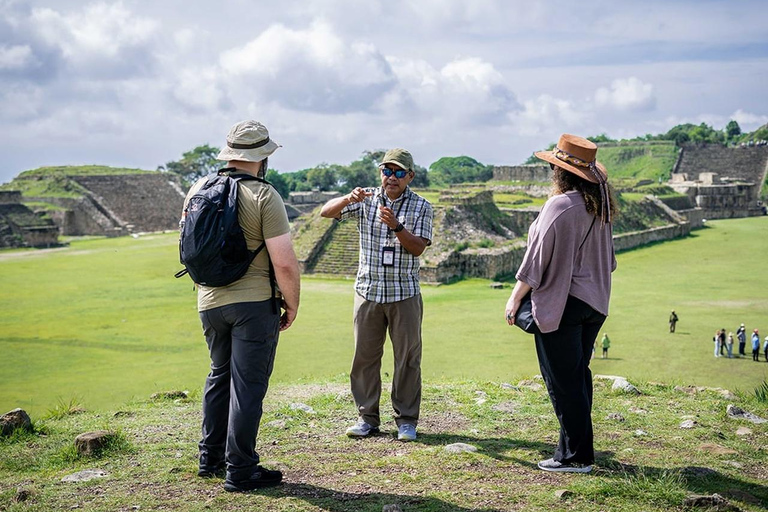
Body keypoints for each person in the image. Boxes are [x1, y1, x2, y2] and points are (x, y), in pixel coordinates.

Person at [185, 120, 301, 492]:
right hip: (252, 303)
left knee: (219, 375)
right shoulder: (264, 195)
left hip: (208, 299)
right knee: (248, 386)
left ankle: (211, 456)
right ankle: (242, 469)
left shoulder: (198, 188)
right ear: (263, 157)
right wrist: (292, 304)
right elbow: (283, 261)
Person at [505, 134, 618, 473]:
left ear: (559, 171)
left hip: (564, 304)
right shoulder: (599, 205)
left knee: (562, 382)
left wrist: (514, 299)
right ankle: (578, 451)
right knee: (577, 378)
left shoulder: (560, 205)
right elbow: (609, 261)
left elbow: (535, 261)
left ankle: (575, 457)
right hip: (594, 303)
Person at [320, 148, 433, 442]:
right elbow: (325, 212)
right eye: (386, 171)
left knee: (407, 359)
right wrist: (348, 199)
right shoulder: (365, 199)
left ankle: (406, 420)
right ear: (380, 173)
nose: (391, 177)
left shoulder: (422, 206)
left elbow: (418, 247)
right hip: (368, 290)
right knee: (364, 358)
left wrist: (396, 226)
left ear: (410, 176)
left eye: (398, 172)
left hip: (403, 292)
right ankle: (366, 417)